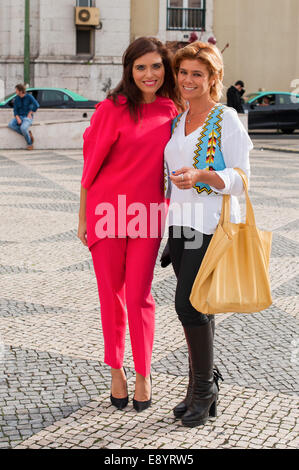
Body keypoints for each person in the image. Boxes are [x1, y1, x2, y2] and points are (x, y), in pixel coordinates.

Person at [77, 37, 179, 412]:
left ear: (165, 70)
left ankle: (144, 373)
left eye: (156, 66)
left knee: (139, 297)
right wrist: (82, 216)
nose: (149, 74)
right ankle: (117, 369)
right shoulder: (111, 108)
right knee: (111, 296)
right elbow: (90, 165)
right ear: (129, 71)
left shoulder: (173, 110)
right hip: (106, 214)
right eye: (141, 67)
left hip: (148, 216)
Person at [164, 41, 253, 427]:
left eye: (196, 74)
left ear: (212, 78)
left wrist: (202, 176)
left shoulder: (226, 118)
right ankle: (199, 386)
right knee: (198, 309)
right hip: (181, 226)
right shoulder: (176, 121)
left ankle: (204, 390)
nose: (187, 80)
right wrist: (170, 231)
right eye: (182, 73)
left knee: (187, 306)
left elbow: (243, 178)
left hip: (212, 226)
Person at [8, 84, 40, 150]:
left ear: (20, 91)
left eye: (16, 90)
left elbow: (37, 105)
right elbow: (15, 110)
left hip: (27, 117)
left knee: (23, 128)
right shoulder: (16, 99)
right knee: (11, 125)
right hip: (19, 116)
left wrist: (30, 112)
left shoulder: (29, 97)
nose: (15, 91)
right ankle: (28, 135)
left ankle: (30, 144)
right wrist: (17, 118)